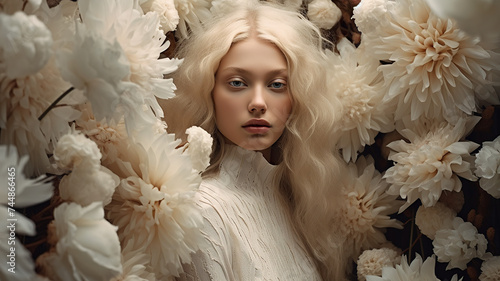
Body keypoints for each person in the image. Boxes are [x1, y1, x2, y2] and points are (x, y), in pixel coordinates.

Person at [163, 2, 348, 280]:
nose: (258, 103)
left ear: (296, 97)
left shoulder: (291, 198)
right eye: (238, 83)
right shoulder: (203, 210)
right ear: (209, 91)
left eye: (276, 85)